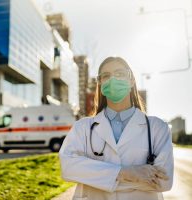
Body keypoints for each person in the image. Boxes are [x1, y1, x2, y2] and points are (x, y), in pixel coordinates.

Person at [59, 56, 174, 200]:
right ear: (100, 83)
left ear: (131, 81)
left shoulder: (157, 128)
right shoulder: (82, 128)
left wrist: (94, 177)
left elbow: (164, 181)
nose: (113, 80)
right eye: (106, 76)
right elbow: (69, 168)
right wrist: (126, 173)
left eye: (120, 74)